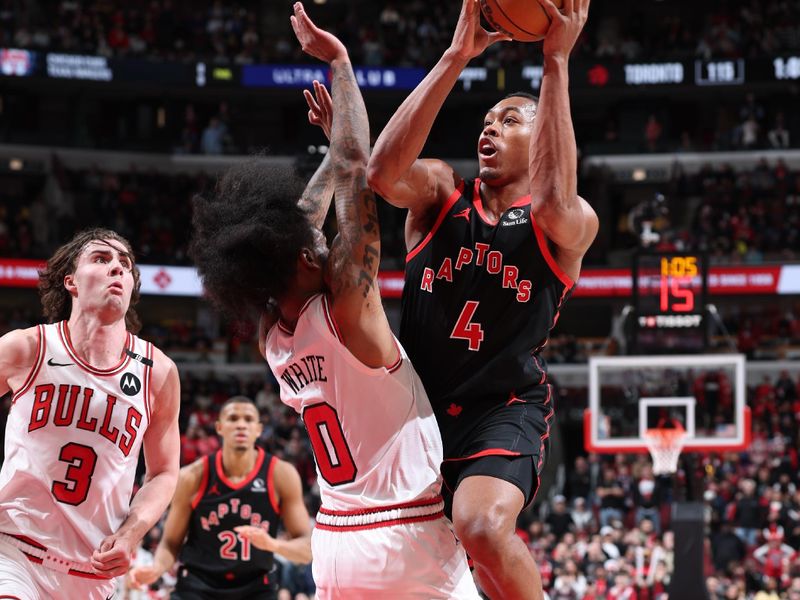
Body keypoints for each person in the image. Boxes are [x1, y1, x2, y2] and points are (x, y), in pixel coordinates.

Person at [189, 3, 478, 598]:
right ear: (302, 257)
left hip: (336, 540)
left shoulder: (273, 332)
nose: (318, 236)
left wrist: (331, 145)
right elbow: (359, 170)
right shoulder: (346, 306)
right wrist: (341, 64)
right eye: (312, 243)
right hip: (407, 534)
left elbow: (297, 219)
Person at [367, 0, 597, 597]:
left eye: (510, 120)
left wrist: (555, 62)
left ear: (541, 134)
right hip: (415, 412)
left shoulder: (565, 223)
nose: (489, 127)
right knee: (426, 570)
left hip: (505, 404)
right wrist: (455, 56)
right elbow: (382, 175)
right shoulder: (442, 190)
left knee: (482, 526)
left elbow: (549, 201)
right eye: (487, 120)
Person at [0, 228, 180, 600]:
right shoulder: (28, 347)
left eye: (125, 264)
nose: (117, 268)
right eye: (102, 258)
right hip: (14, 550)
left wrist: (132, 533)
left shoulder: (157, 372)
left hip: (92, 569)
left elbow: (163, 472)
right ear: (71, 281)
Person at [128, 396, 312, 598]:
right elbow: (171, 542)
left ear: (259, 429)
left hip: (255, 587)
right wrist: (157, 568)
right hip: (198, 585)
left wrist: (273, 545)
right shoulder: (192, 477)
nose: (241, 425)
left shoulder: (281, 475)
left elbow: (307, 549)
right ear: (219, 427)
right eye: (233, 418)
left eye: (248, 419)